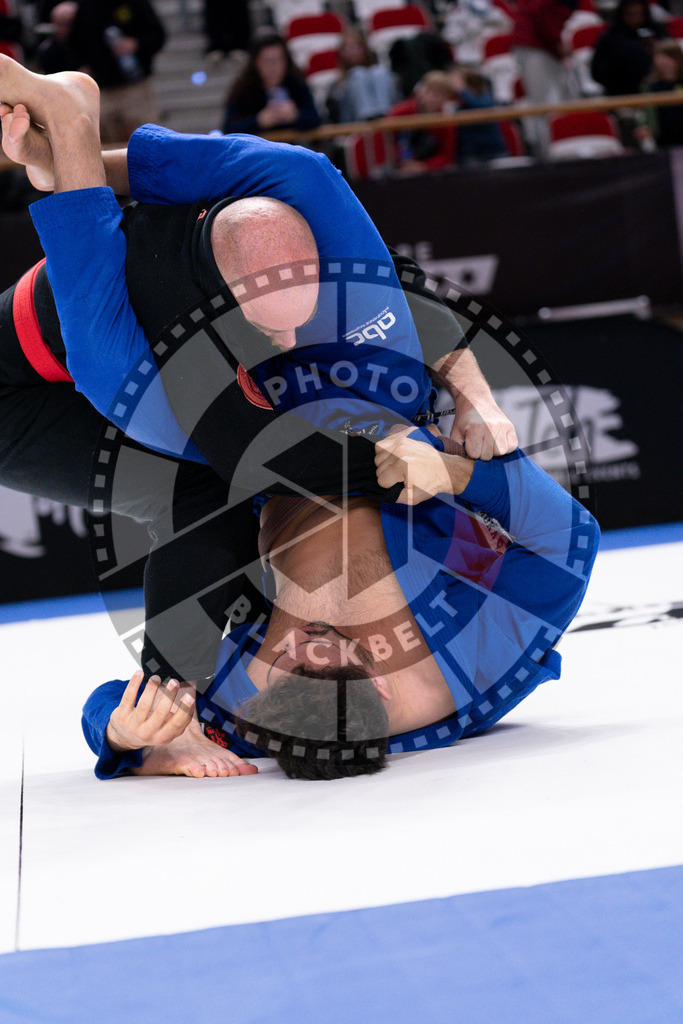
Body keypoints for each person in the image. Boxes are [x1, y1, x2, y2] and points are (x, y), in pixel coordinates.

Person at [0, 58, 517, 722]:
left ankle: (70, 147)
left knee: (209, 488)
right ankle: (70, 146)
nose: (295, 338)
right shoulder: (176, 351)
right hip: (37, 369)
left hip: (150, 345)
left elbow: (398, 282)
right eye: (274, 332)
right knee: (197, 471)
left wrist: (474, 402)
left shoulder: (326, 240)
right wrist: (447, 467)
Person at [83, 424, 600, 780]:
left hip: (250, 446)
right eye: (322, 641)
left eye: (283, 657)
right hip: (376, 413)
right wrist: (451, 473)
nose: (296, 634)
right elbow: (569, 539)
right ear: (379, 678)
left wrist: (126, 736)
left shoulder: (254, 713)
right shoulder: (483, 663)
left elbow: (117, 699)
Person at [65, 0, 166, 143]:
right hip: (101, 90)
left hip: (134, 87)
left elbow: (158, 35)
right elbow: (73, 43)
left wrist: (135, 43)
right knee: (104, 144)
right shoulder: (86, 6)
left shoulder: (136, 4)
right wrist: (81, 66)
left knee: (148, 140)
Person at [511, 0, 581, 156]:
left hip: (541, 45)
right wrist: (557, 44)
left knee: (559, 101)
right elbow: (540, 16)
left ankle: (564, 148)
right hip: (533, 45)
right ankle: (547, 154)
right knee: (543, 105)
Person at [221, 30, 321, 136]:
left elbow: (316, 120)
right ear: (255, 62)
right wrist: (258, 121)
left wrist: (296, 115)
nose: (274, 67)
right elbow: (228, 129)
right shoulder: (243, 88)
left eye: (278, 60)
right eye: (267, 61)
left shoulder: (296, 81)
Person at [389, 71, 458, 175]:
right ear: (421, 91)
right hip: (398, 167)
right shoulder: (401, 112)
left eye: (441, 94)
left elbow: (447, 155)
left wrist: (424, 166)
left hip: (429, 173)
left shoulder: (446, 121)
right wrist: (401, 162)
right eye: (431, 92)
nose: (434, 98)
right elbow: (387, 140)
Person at [326, 27, 399, 123]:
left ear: (365, 49)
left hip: (386, 118)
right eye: (347, 48)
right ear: (341, 53)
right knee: (358, 73)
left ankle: (384, 116)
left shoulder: (378, 73)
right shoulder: (337, 83)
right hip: (353, 122)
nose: (352, 51)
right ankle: (367, 117)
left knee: (378, 72)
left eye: (356, 47)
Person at [449, 67, 507, 165]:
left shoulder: (484, 96)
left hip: (492, 152)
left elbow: (481, 107)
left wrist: (462, 90)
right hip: (468, 154)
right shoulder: (456, 101)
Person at [641, 39, 683, 147]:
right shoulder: (651, 87)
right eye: (660, 57)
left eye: (669, 57)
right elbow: (646, 116)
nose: (664, 62)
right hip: (664, 142)